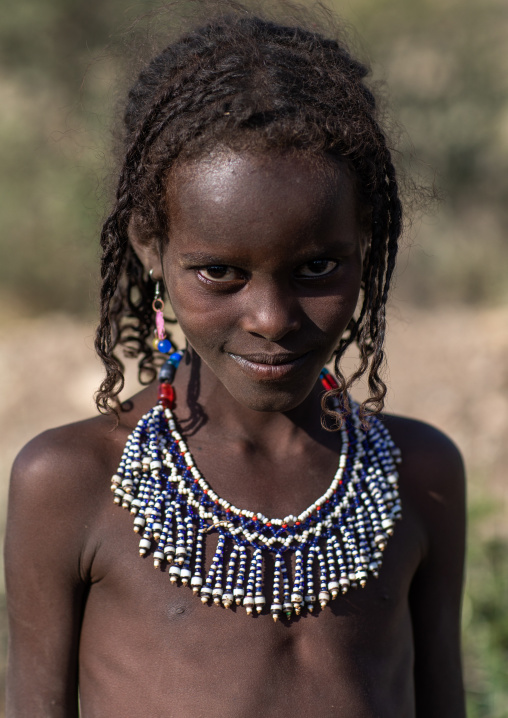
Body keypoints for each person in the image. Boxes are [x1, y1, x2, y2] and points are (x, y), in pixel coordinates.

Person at [4, 4, 466, 716]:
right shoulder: (69, 485)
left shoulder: (419, 474)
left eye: (317, 268)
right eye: (219, 271)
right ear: (152, 247)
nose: (272, 319)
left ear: (366, 243)